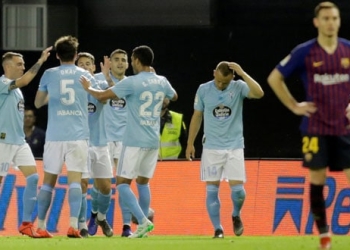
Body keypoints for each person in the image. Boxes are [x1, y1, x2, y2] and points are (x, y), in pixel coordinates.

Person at [267, 2, 350, 249]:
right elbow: (274, 77)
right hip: (315, 126)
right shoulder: (305, 52)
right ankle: (324, 235)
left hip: (344, 127)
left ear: (339, 21)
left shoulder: (347, 49)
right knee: (317, 178)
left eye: (334, 18)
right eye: (325, 18)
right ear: (316, 22)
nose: (330, 22)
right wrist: (294, 106)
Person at [80, 45, 178, 238]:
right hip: (151, 140)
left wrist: (87, 88)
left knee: (122, 184)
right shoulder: (162, 80)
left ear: (136, 61)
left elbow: (101, 96)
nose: (127, 63)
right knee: (142, 183)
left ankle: (140, 221)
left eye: (129, 59)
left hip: (132, 140)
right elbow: (173, 96)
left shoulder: (131, 82)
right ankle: (139, 228)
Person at [186, 61, 264, 238]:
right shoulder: (203, 89)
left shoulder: (238, 87)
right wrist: (190, 143)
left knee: (238, 191)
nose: (221, 85)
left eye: (225, 82)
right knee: (212, 189)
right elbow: (197, 116)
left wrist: (243, 73)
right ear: (214, 73)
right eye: (219, 81)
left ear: (232, 78)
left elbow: (259, 93)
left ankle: (236, 215)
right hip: (211, 148)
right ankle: (218, 229)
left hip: (234, 146)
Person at [34, 35, 95, 238]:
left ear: (57, 55)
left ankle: (41, 226)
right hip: (78, 135)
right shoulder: (85, 75)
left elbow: (38, 103)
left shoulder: (49, 74)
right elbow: (98, 100)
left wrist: (54, 93)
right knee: (75, 180)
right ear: (76, 55)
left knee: (48, 182)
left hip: (54, 136)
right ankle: (73, 226)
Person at [0, 47, 52, 238]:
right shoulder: (3, 83)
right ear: (7, 66)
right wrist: (40, 61)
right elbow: (26, 79)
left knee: (33, 178)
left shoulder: (17, 90)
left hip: (19, 142)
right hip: (3, 142)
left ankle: (26, 224)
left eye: (23, 64)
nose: (23, 67)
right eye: (19, 64)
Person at [92, 49, 134, 237]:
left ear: (128, 64)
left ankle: (126, 227)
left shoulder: (132, 84)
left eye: (123, 60)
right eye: (116, 59)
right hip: (103, 138)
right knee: (100, 184)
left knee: (123, 183)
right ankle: (95, 215)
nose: (119, 63)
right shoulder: (98, 79)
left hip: (125, 139)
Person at [76, 52, 113, 238]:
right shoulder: (72, 89)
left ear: (93, 68)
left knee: (106, 187)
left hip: (100, 143)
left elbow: (105, 98)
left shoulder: (99, 85)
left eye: (87, 64)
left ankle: (100, 217)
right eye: (80, 64)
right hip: (81, 144)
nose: (84, 67)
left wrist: (102, 80)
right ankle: (82, 224)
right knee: (83, 184)